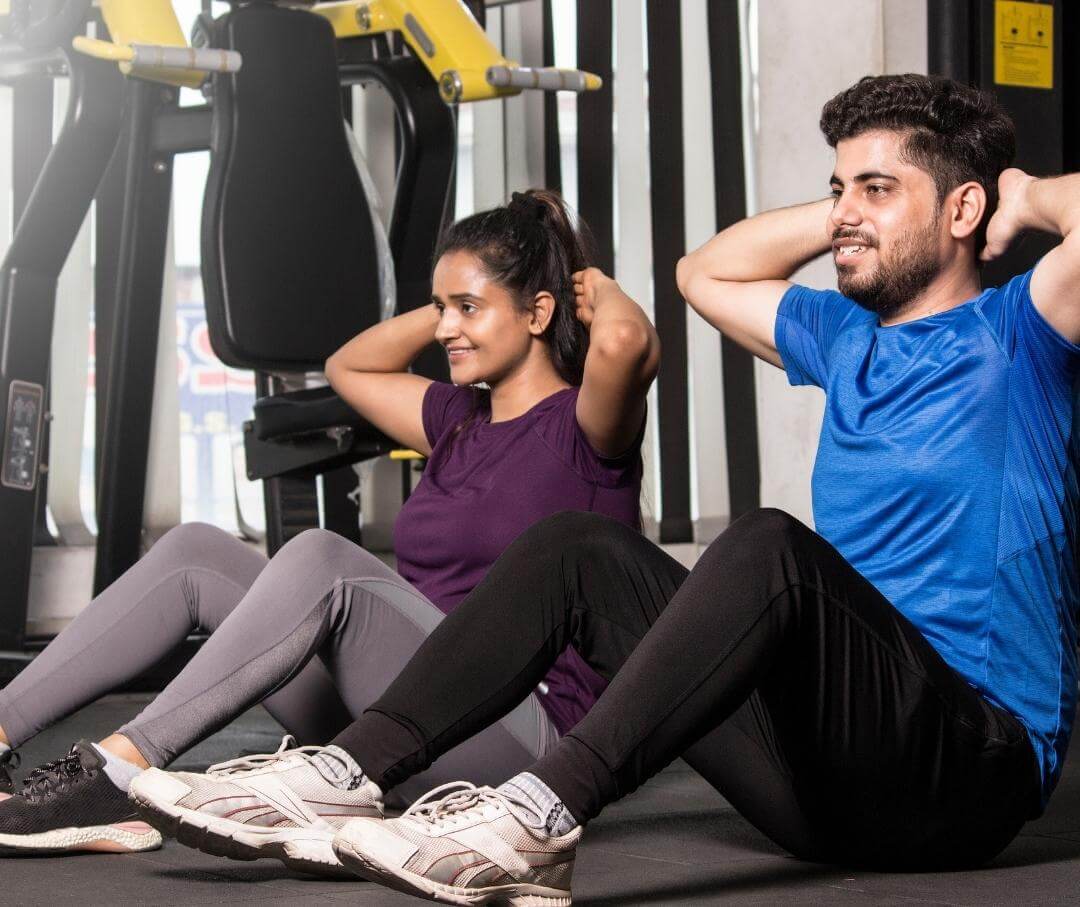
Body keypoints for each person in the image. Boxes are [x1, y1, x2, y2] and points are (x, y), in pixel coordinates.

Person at [138, 72, 1079, 904]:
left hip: (966, 770)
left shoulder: (1023, 330)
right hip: (821, 787)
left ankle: (540, 816)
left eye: (878, 189)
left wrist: (1022, 195)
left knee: (768, 547)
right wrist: (855, 207)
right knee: (572, 547)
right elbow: (702, 271)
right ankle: (352, 768)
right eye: (839, 188)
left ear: (963, 212)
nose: (844, 213)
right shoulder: (844, 339)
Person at [0, 189, 660, 870]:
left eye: (468, 309)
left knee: (323, 557)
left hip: (521, 742)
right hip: (402, 718)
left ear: (539, 312)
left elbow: (625, 339)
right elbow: (350, 366)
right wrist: (460, 301)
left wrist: (592, 285)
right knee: (198, 551)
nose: (444, 330)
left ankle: (116, 773)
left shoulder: (587, 428)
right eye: (441, 309)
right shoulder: (456, 420)